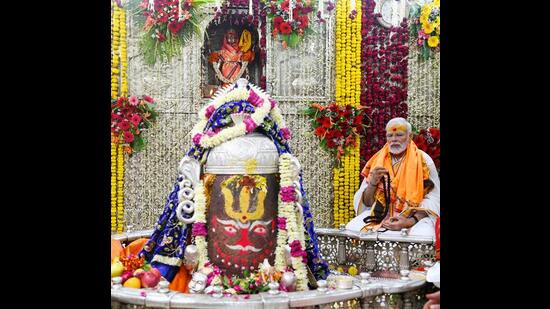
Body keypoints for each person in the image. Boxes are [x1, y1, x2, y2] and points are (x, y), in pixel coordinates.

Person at [346, 117, 440, 237]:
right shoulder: (377, 160)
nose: (394, 139)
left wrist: (408, 221)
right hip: (380, 215)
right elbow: (367, 202)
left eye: (399, 135)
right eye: (390, 135)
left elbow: (434, 199)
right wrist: (372, 184)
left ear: (410, 136)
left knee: (423, 234)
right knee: (351, 229)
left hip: (412, 217)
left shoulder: (423, 161)